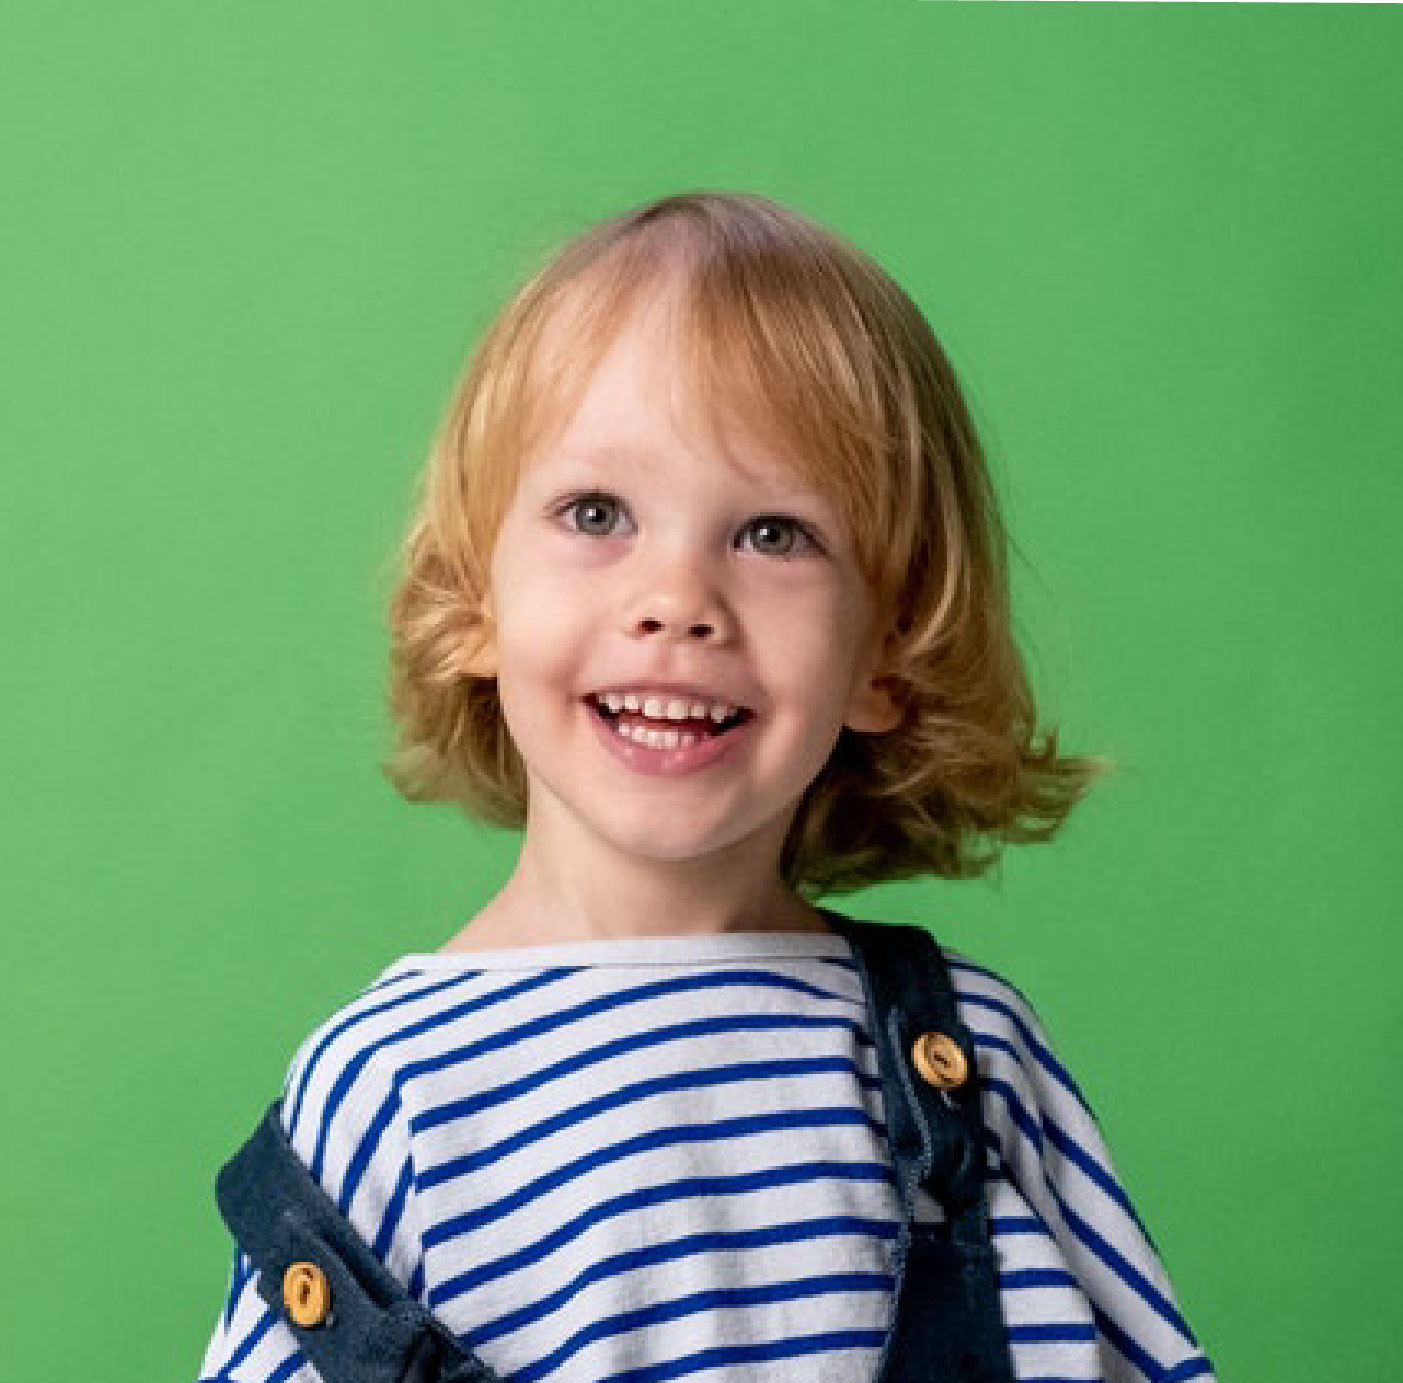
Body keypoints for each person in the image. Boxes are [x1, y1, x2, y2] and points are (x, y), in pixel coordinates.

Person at [196, 191, 1215, 1383]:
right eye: (595, 514)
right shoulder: (393, 1093)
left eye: (774, 534)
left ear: (887, 649)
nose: (676, 597)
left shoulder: (970, 1061)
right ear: (475, 601)